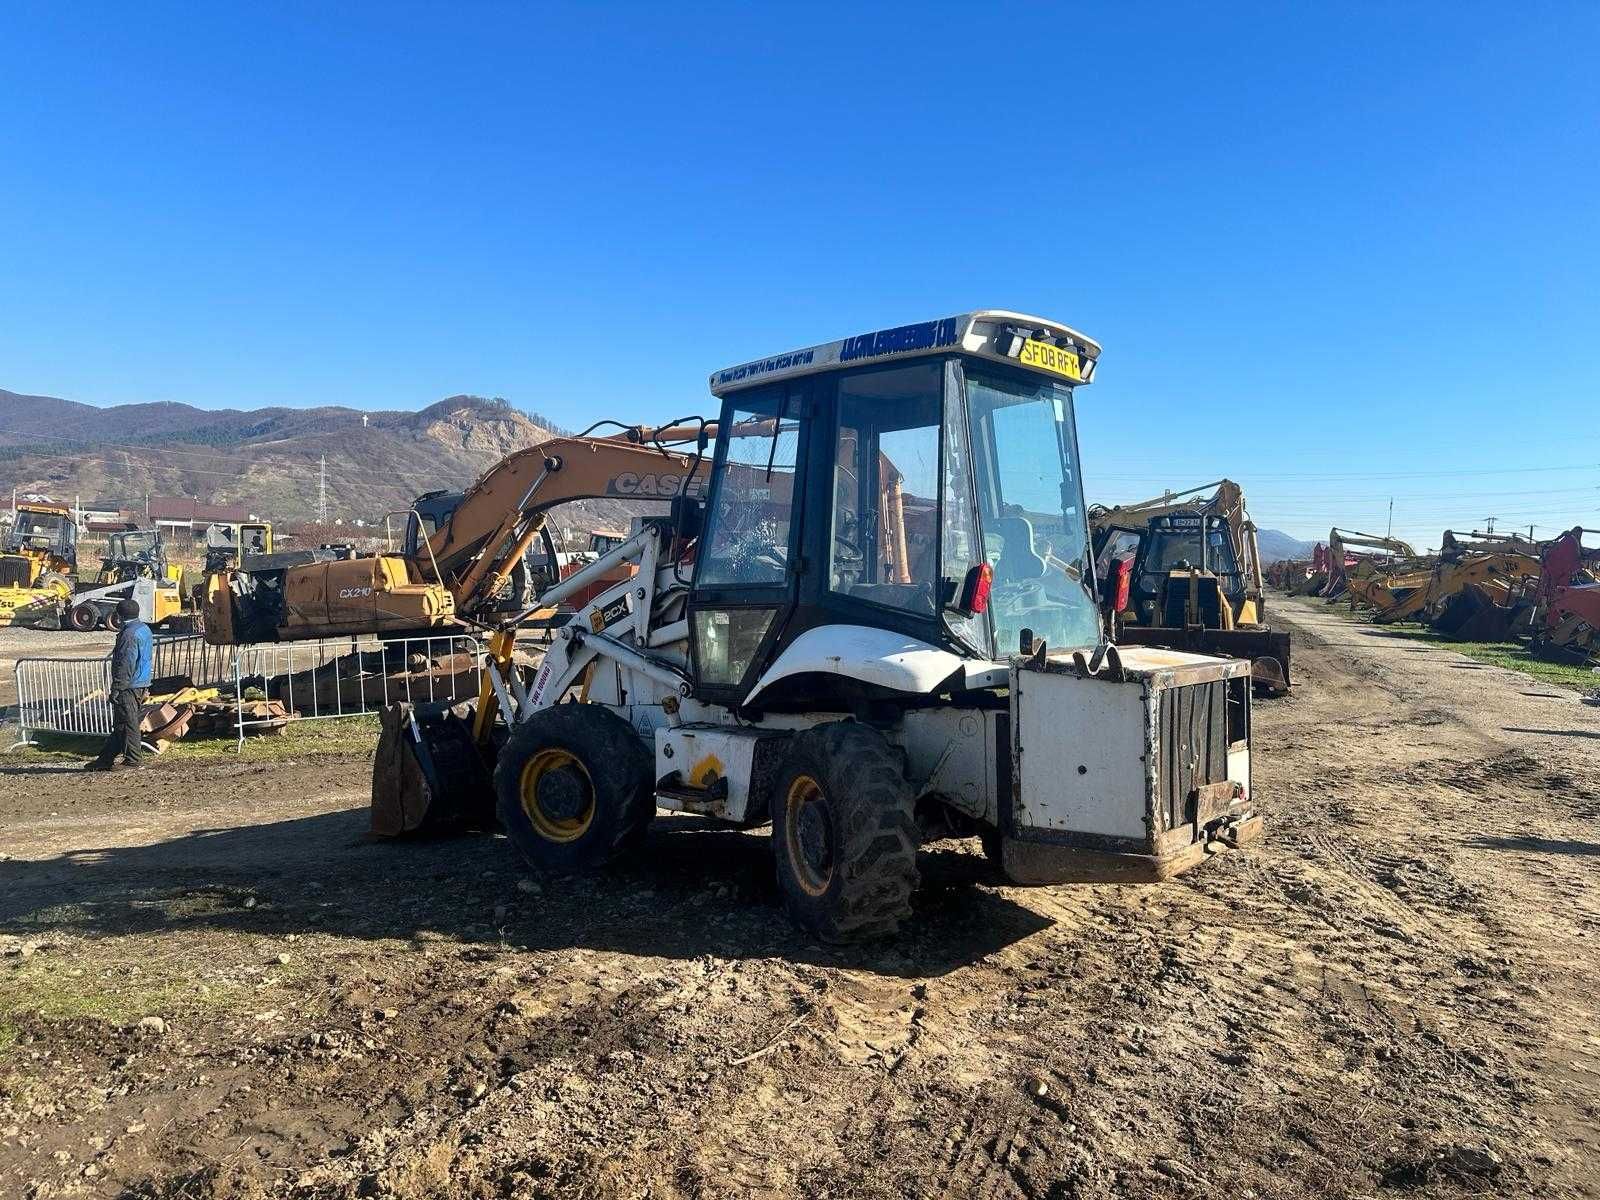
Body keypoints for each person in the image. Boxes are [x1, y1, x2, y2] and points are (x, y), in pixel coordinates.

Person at [87, 597, 152, 771]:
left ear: (119, 615)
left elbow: (125, 663)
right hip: (140, 682)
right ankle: (105, 759)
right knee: (122, 724)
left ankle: (132, 760)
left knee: (129, 723)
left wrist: (117, 688)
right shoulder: (143, 629)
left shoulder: (128, 635)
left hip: (129, 685)